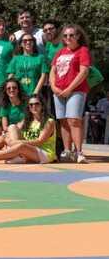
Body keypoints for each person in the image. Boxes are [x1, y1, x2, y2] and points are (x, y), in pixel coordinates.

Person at [49, 24, 91, 163]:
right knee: (63, 121)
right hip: (59, 91)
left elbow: (83, 72)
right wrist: (54, 87)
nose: (68, 38)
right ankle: (67, 151)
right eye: (65, 35)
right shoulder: (60, 52)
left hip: (76, 90)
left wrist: (70, 89)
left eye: (71, 35)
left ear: (78, 36)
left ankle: (79, 152)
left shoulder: (82, 50)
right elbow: (53, 71)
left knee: (74, 120)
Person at [0, 95, 56, 164]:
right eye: (31, 105)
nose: (34, 106)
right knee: (11, 128)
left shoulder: (49, 122)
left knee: (20, 146)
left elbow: (39, 142)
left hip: (44, 153)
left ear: (42, 105)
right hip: (28, 150)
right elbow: (11, 130)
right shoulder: (27, 120)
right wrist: (6, 139)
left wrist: (16, 142)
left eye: (37, 104)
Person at [6, 33, 49, 98]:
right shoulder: (16, 58)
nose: (28, 42)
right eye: (25, 41)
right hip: (18, 94)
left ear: (34, 43)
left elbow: (43, 76)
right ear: (21, 44)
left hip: (35, 93)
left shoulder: (40, 57)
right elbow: (10, 76)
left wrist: (35, 92)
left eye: (30, 40)